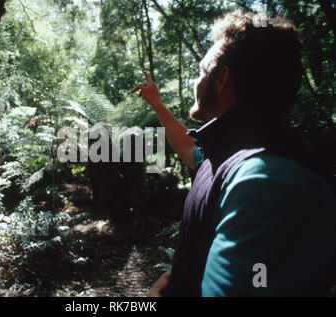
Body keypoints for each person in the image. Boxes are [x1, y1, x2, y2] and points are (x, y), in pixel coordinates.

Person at [133, 10, 336, 297]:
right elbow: (188, 149)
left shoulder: (265, 180)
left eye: (202, 71)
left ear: (223, 79)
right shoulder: (232, 157)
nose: (196, 81)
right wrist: (156, 103)